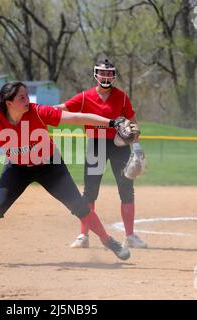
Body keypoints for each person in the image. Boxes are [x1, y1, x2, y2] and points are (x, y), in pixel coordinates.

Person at [0, 81, 131, 265]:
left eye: (27, 95)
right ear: (9, 102)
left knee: (79, 206)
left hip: (50, 166)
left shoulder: (38, 111)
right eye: (22, 97)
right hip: (17, 168)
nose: (27, 100)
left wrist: (111, 122)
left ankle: (108, 241)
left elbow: (76, 117)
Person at [54, 59, 148, 249]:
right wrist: (40, 111)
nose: (106, 77)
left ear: (113, 76)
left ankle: (129, 236)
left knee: (126, 189)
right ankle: (83, 236)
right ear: (96, 74)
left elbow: (132, 120)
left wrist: (136, 146)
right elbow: (63, 108)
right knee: (90, 192)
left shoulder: (121, 97)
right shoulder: (84, 96)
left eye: (109, 73)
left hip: (119, 145)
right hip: (95, 144)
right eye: (102, 73)